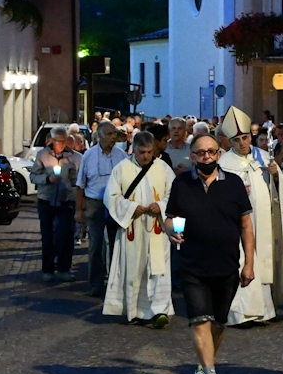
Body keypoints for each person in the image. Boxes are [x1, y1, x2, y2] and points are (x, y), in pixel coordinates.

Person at [165, 134, 255, 374]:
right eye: (200, 153)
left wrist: (249, 263)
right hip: (193, 263)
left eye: (211, 152)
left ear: (218, 154)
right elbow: (171, 217)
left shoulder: (234, 184)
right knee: (199, 320)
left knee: (219, 322)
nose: (206, 157)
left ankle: (204, 364)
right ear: (193, 156)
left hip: (226, 264)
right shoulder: (182, 183)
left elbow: (246, 225)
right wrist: (171, 231)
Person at [217, 105, 283, 323]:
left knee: (263, 260)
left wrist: (275, 177)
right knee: (243, 260)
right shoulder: (224, 163)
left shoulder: (264, 158)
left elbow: (280, 192)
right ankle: (240, 313)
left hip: (264, 221)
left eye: (244, 138)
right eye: (237, 140)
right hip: (238, 223)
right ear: (230, 142)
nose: (242, 143)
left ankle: (265, 310)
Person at [103, 130, 175, 326]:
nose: (146, 156)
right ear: (133, 150)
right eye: (142, 152)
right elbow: (111, 197)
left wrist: (160, 206)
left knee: (157, 270)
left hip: (156, 227)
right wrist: (132, 208)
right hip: (132, 228)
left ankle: (159, 310)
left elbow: (173, 194)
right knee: (134, 269)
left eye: (149, 152)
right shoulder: (121, 168)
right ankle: (134, 311)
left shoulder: (163, 168)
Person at [76, 120, 128, 297]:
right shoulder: (89, 156)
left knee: (117, 245)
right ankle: (96, 285)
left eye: (115, 134)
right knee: (96, 245)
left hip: (115, 204)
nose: (113, 138)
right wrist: (79, 210)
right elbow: (80, 184)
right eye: (109, 134)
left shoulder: (121, 156)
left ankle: (115, 285)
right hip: (95, 204)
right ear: (100, 136)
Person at [29, 124, 81, 282]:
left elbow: (78, 180)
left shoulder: (74, 156)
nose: (60, 145)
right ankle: (48, 269)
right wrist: (47, 179)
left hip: (66, 200)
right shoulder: (42, 155)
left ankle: (64, 268)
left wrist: (73, 184)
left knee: (66, 234)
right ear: (51, 140)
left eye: (63, 141)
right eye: (58, 141)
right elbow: (33, 176)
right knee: (47, 235)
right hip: (47, 199)